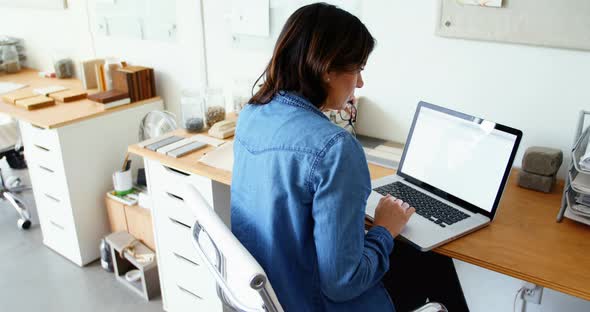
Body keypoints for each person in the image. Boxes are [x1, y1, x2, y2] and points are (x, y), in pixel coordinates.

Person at [231, 3, 468, 312]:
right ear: (326, 69)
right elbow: (343, 283)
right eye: (357, 69)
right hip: (315, 301)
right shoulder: (335, 148)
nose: (360, 83)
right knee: (434, 261)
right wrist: (384, 228)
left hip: (275, 291)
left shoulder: (252, 113)